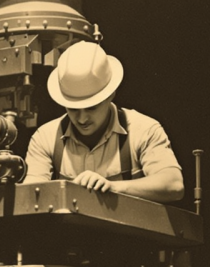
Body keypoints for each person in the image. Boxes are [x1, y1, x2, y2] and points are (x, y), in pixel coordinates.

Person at [23, 41, 184, 203]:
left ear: (110, 95)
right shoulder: (45, 137)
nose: (82, 118)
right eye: (73, 109)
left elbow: (173, 185)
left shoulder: (144, 129)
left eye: (91, 108)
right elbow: (31, 196)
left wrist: (112, 187)